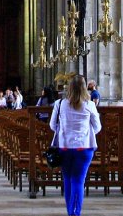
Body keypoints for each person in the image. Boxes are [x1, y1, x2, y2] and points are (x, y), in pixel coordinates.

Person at [50, 75, 101, 216]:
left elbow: (52, 125)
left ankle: (69, 212)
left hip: (65, 146)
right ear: (85, 88)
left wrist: (64, 132)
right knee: (78, 180)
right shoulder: (90, 105)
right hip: (84, 147)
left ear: (69, 88)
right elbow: (97, 127)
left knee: (67, 179)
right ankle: (75, 213)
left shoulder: (60, 104)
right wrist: (84, 133)